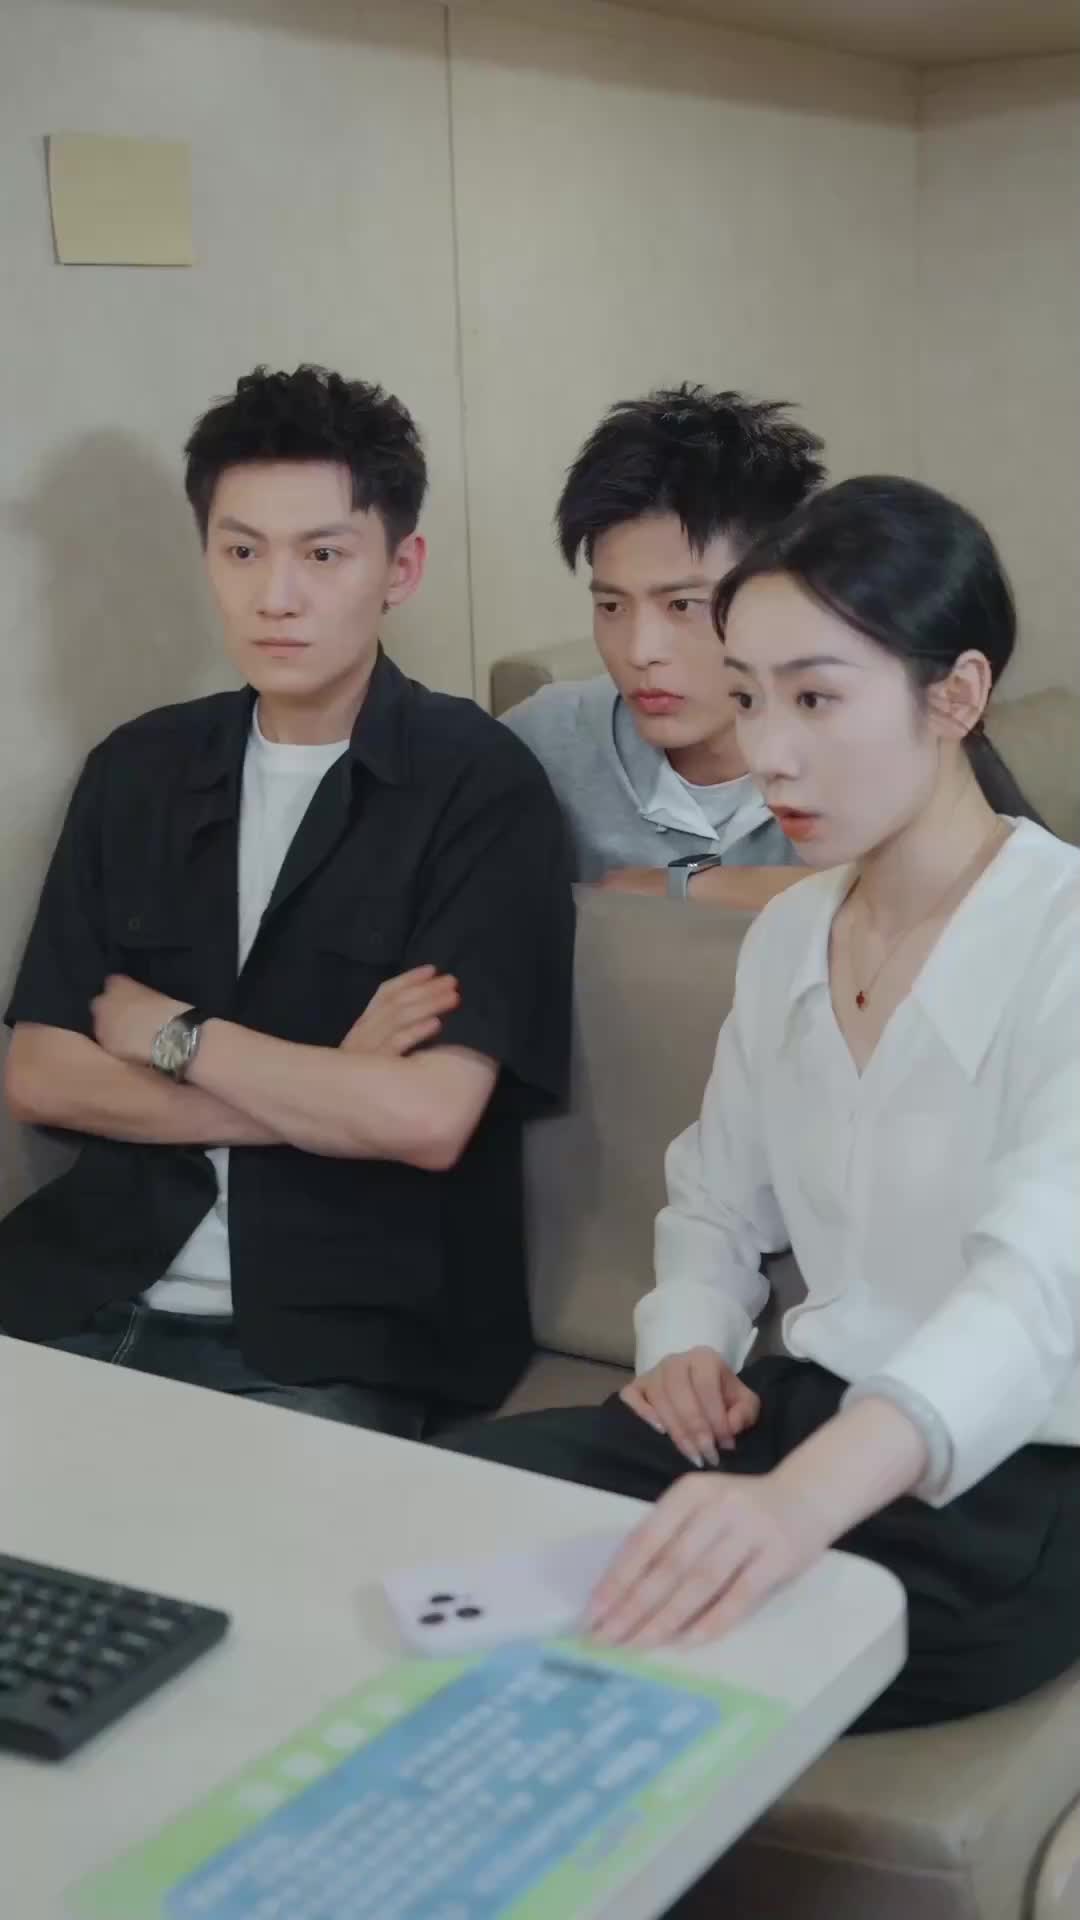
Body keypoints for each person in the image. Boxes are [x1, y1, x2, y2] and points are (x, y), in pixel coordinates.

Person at [440, 475, 1080, 1734]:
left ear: (956, 695)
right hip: (803, 1412)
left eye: (816, 698)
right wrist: (688, 1342)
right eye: (748, 696)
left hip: (1018, 1487)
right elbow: (716, 1203)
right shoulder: (791, 933)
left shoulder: (1064, 940)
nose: (769, 750)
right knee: (439, 1501)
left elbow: (1034, 1297)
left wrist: (797, 1506)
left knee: (642, 1651)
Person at [1, 365, 573, 1437]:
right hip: (75, 1290)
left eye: (322, 554)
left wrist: (171, 1036)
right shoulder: (137, 770)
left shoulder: (478, 783)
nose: (276, 596)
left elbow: (424, 1120)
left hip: (334, 1338)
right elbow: (38, 1075)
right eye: (242, 551)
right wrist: (330, 1089)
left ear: (400, 567)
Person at [501, 384, 825, 906]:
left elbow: (941, 894)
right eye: (612, 606)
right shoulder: (542, 744)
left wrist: (688, 886)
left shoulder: (861, 742)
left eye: (682, 605)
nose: (639, 652)